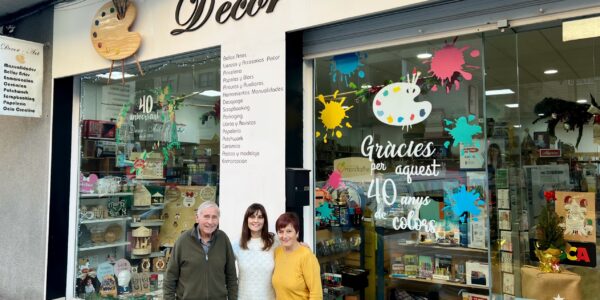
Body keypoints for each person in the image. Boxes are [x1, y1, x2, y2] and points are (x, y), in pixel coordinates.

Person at [164, 201, 238, 300]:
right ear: (197, 218)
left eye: (214, 217)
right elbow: (170, 278)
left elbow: (231, 277)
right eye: (206, 216)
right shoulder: (183, 240)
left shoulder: (223, 239)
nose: (210, 222)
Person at [272, 212, 322, 300]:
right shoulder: (277, 252)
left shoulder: (306, 256)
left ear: (297, 233)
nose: (284, 236)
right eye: (281, 231)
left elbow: (316, 294)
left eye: (289, 231)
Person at [233, 203, 278, 300]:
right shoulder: (237, 244)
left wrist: (302, 247)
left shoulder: (274, 242)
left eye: (260, 217)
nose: (256, 220)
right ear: (246, 220)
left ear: (264, 220)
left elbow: (291, 248)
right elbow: (222, 266)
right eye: (252, 216)